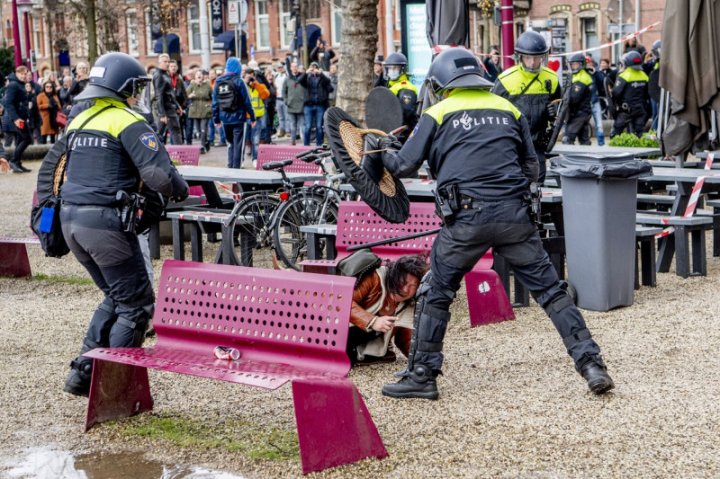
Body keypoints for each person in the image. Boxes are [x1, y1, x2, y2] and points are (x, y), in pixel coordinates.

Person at [364, 47, 614, 400]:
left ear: (443, 84)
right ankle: (591, 365)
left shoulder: (438, 111)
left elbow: (404, 165)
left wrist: (380, 147)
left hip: (465, 221)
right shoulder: (509, 109)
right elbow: (533, 169)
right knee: (551, 292)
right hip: (515, 217)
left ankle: (422, 375)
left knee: (436, 293)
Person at [60, 52, 189, 397]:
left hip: (71, 220)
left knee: (115, 297)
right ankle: (113, 387)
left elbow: (53, 171)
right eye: (135, 88)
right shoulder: (126, 120)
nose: (137, 95)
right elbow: (159, 174)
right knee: (136, 304)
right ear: (123, 87)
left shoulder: (79, 119)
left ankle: (82, 375)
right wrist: (180, 189)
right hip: (105, 224)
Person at [492, 31, 560, 184]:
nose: (532, 63)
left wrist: (554, 112)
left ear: (543, 57)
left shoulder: (552, 78)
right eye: (528, 57)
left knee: (537, 185)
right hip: (512, 145)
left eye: (537, 58)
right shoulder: (505, 80)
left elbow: (561, 110)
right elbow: (492, 112)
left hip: (537, 145)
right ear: (520, 57)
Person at [348, 255, 428, 365]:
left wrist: (420, 359)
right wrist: (372, 321)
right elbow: (343, 302)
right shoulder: (375, 277)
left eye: (412, 286)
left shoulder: (408, 304)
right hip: (336, 333)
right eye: (403, 282)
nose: (405, 289)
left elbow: (404, 338)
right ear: (394, 277)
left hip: (360, 347)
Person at [212, 57, 256, 169]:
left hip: (224, 118)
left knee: (230, 144)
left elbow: (215, 103)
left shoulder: (218, 81)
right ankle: (236, 170)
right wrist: (252, 117)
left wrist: (216, 119)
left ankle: (230, 166)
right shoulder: (239, 81)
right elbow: (247, 101)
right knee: (238, 145)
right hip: (238, 118)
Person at [610, 51, 650, 138]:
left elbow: (615, 93)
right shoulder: (644, 75)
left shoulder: (624, 76)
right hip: (641, 110)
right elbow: (648, 93)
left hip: (626, 111)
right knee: (640, 134)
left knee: (615, 133)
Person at [3, 65, 32, 172]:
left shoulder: (19, 84)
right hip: (17, 119)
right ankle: (14, 161)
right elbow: (8, 103)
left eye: (25, 74)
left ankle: (17, 163)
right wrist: (16, 118)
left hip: (21, 117)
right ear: (17, 73)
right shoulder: (13, 85)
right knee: (27, 139)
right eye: (22, 74)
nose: (24, 76)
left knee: (20, 139)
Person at [383, 52, 419, 141]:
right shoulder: (391, 86)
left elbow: (406, 113)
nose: (391, 70)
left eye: (395, 68)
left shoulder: (407, 87)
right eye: (389, 68)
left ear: (402, 69)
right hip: (393, 133)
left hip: (404, 135)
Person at [299, 61, 333, 146]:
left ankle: (319, 145)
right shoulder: (307, 78)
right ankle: (306, 145)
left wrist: (320, 74)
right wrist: (306, 73)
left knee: (319, 127)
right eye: (312, 67)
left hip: (320, 105)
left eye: (315, 67)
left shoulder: (322, 79)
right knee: (308, 127)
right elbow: (299, 80)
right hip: (308, 106)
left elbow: (328, 82)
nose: (313, 69)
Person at [562, 53, 593, 145]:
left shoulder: (582, 78)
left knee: (568, 138)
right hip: (579, 113)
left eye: (575, 64)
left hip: (579, 113)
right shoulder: (575, 76)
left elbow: (574, 98)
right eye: (572, 64)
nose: (573, 66)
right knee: (584, 140)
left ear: (581, 64)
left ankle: (569, 159)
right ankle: (586, 157)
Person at [153, 53, 182, 144]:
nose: (167, 63)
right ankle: (180, 155)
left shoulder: (166, 74)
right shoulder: (159, 75)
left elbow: (170, 93)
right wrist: (162, 114)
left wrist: (177, 106)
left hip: (170, 108)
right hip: (166, 109)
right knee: (173, 132)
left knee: (160, 133)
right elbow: (159, 95)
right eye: (165, 61)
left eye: (168, 61)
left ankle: (154, 152)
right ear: (159, 62)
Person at [245, 69, 269, 164]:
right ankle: (243, 158)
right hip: (247, 116)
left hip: (258, 115)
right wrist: (246, 82)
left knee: (256, 138)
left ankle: (255, 158)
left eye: (252, 76)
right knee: (246, 137)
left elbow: (265, 95)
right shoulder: (243, 86)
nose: (250, 78)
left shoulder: (260, 85)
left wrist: (256, 84)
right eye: (248, 76)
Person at [186, 69, 213, 153]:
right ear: (195, 77)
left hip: (205, 110)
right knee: (198, 131)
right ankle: (206, 141)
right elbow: (185, 96)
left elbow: (212, 96)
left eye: (200, 74)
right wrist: (190, 96)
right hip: (195, 111)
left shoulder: (207, 85)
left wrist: (210, 105)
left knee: (203, 129)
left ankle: (202, 147)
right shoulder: (192, 85)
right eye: (197, 74)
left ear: (203, 76)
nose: (199, 75)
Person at [283, 60, 306, 145]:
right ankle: (293, 141)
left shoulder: (303, 78)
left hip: (301, 105)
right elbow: (283, 91)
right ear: (291, 68)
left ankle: (304, 141)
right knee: (293, 125)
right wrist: (286, 101)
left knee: (302, 125)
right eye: (293, 66)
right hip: (291, 105)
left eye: (296, 66)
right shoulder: (287, 79)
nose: (295, 68)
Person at [586, 57, 606, 146]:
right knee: (583, 125)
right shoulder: (580, 74)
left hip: (595, 101)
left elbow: (602, 81)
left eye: (589, 63)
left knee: (599, 125)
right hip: (585, 103)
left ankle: (601, 144)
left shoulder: (594, 73)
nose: (588, 65)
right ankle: (585, 143)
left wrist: (595, 71)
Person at [168, 60, 188, 143]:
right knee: (169, 131)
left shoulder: (179, 79)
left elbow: (185, 95)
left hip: (178, 109)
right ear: (168, 68)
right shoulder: (165, 78)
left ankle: (178, 149)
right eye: (171, 66)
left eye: (174, 66)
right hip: (168, 108)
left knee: (178, 130)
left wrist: (182, 107)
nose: (173, 68)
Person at [647, 40, 661, 131]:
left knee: (659, 113)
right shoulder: (654, 63)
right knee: (655, 113)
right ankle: (656, 131)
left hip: (660, 91)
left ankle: (658, 131)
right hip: (655, 91)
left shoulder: (662, 62)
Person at [274, 62, 288, 137]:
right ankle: (282, 130)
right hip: (278, 98)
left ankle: (288, 131)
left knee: (287, 116)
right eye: (278, 68)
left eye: (281, 67)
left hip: (284, 98)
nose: (280, 69)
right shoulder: (276, 76)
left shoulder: (286, 75)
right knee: (280, 116)